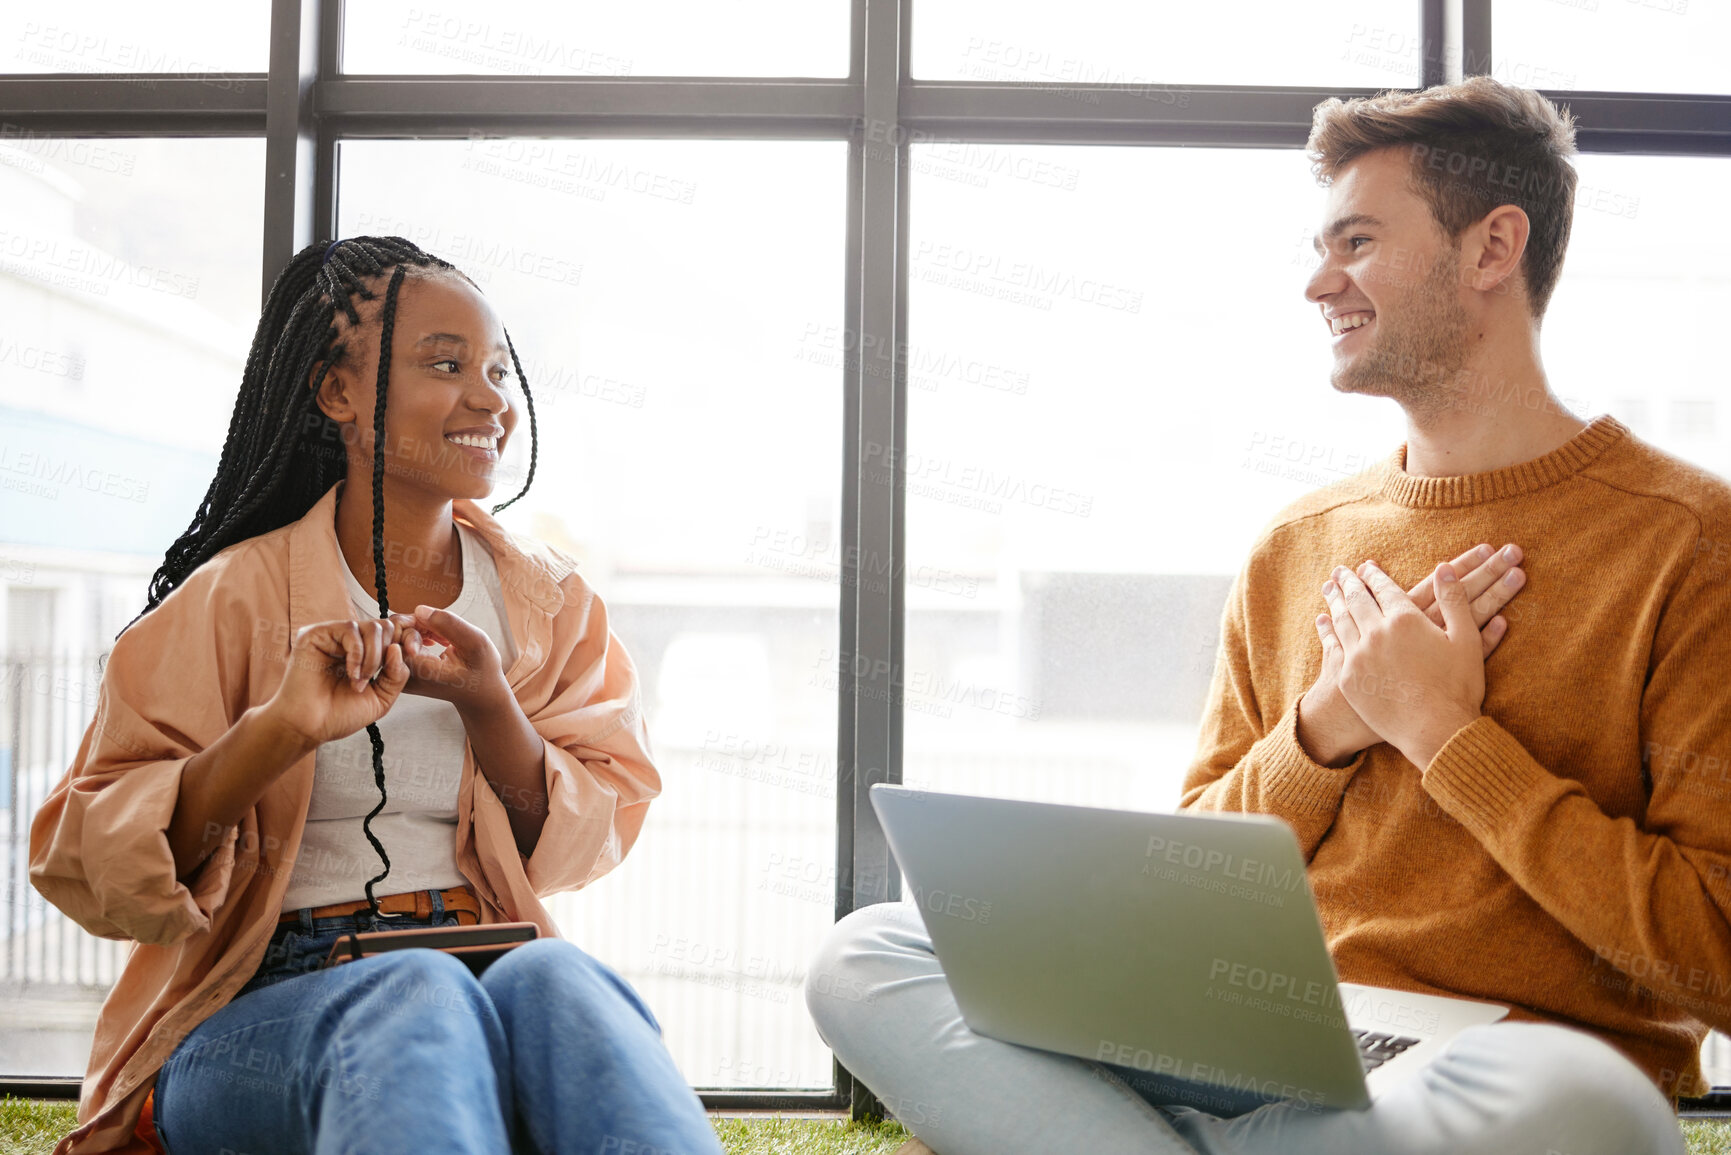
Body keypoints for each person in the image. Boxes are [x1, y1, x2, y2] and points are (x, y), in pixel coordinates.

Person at [805, 77, 1723, 1155]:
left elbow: (1709, 957)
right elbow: (1185, 883)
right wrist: (1328, 724)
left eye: (1359, 241)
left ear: (1491, 249)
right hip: (1250, 1040)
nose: (1317, 282)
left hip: (1486, 1073)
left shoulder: (1688, 542)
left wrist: (1445, 736)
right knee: (866, 956)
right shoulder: (1300, 542)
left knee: (1589, 1104)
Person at [29, 236, 725, 1155]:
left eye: (498, 370)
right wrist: (277, 729)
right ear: (337, 395)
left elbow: (583, 837)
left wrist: (491, 708)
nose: (490, 399)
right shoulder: (228, 599)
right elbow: (88, 866)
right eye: (447, 365)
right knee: (417, 992)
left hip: (487, 964)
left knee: (560, 977)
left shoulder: (549, 604)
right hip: (255, 1011)